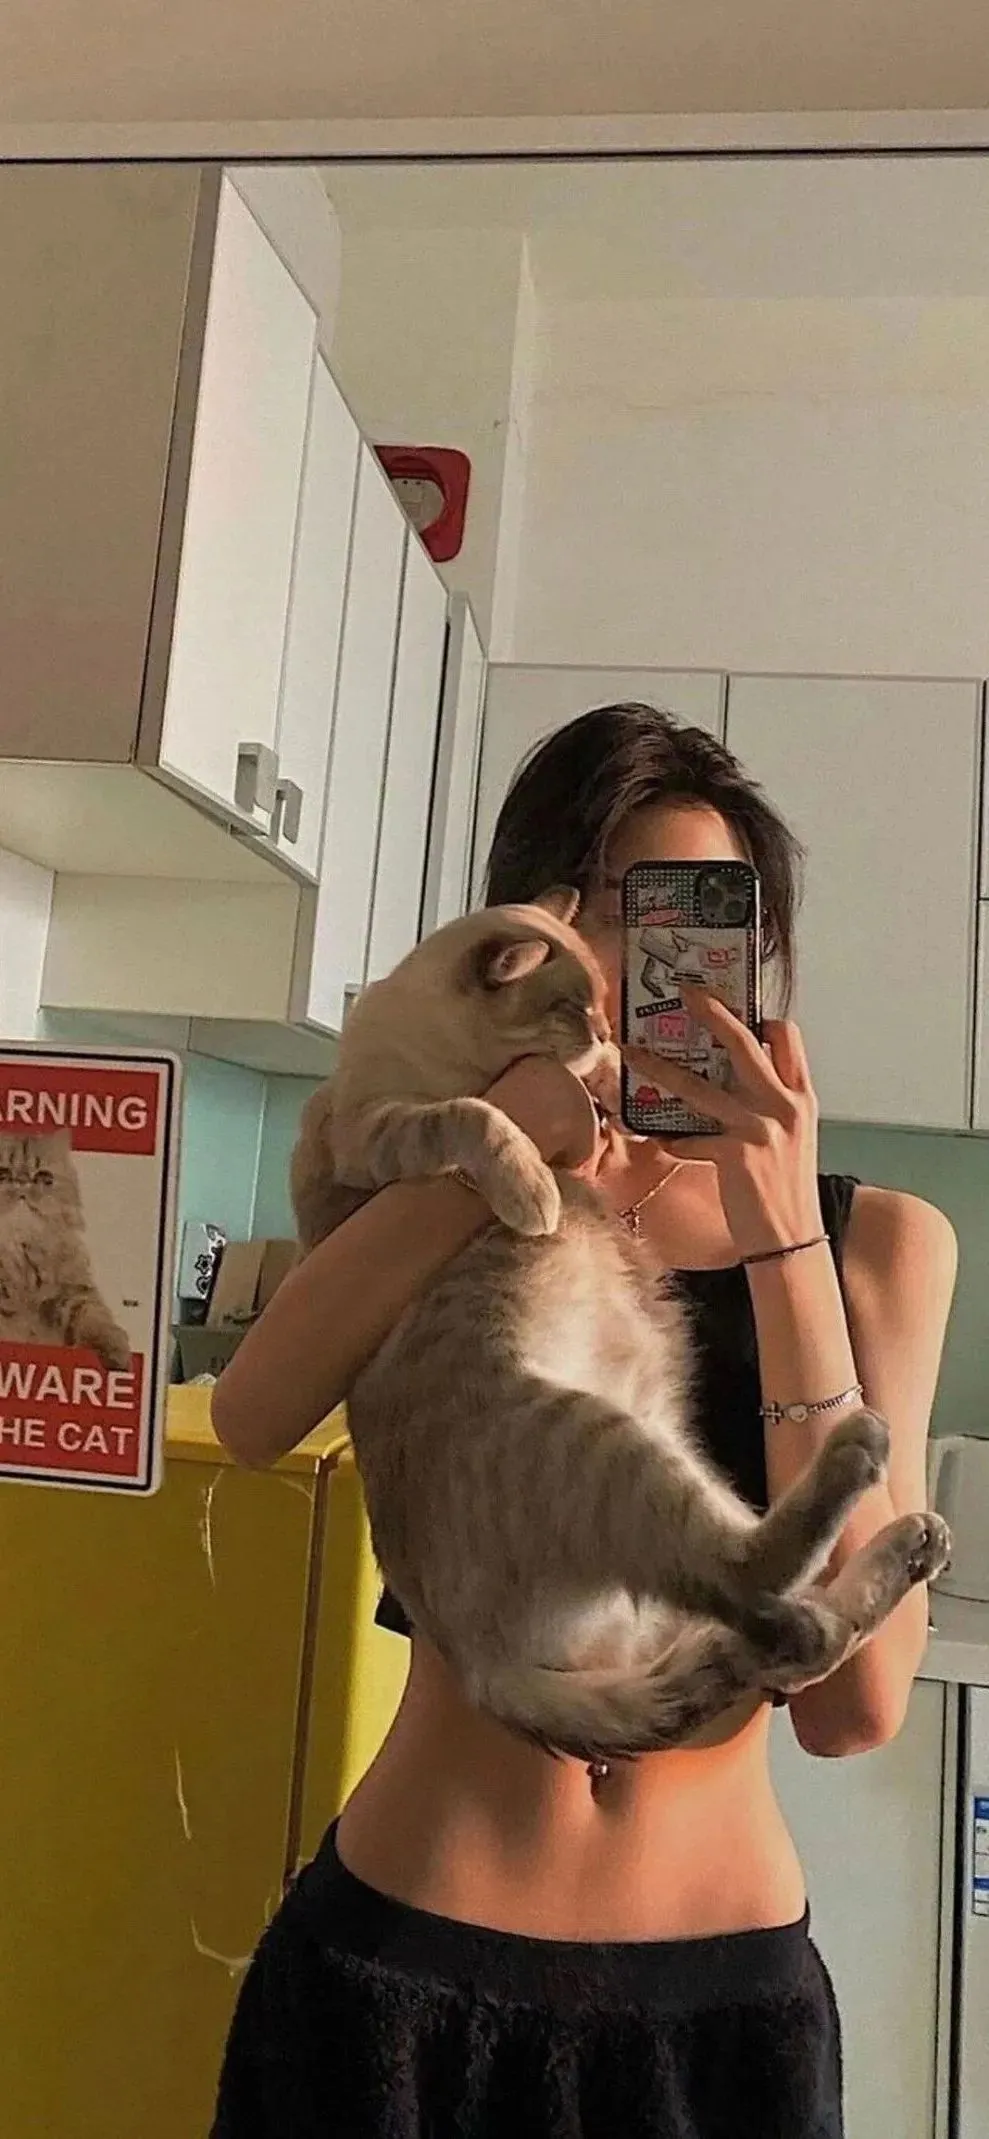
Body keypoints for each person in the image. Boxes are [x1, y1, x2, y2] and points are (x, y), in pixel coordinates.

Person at [210, 704, 957, 2139]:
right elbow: (254, 1413)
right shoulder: (443, 1168)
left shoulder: (881, 1246)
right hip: (401, 1953)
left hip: (717, 2011)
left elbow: (854, 1706)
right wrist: (502, 1141)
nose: (653, 959)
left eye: (705, 914)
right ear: (541, 926)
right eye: (620, 907)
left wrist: (783, 1234)